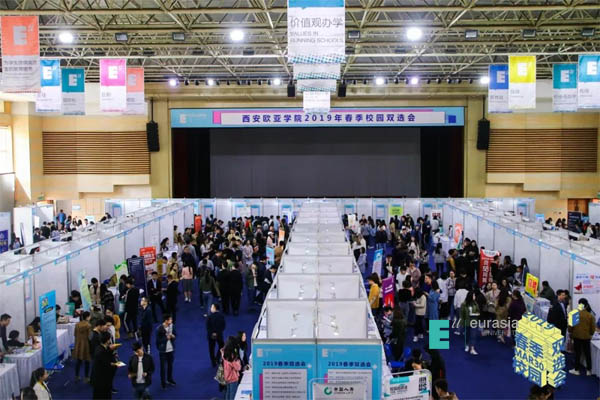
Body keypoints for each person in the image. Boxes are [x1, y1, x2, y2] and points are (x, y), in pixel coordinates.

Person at [569, 298, 595, 376]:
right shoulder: (590, 315)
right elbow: (592, 328)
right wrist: (590, 334)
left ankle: (576, 370)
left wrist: (571, 332)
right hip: (586, 337)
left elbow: (570, 327)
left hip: (576, 336)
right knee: (587, 354)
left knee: (577, 353)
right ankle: (589, 370)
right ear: (586, 305)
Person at [91, 331, 119, 399]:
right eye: (109, 339)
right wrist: (115, 364)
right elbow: (107, 364)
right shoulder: (101, 351)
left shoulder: (99, 348)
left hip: (99, 379)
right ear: (107, 340)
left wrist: (111, 350)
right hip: (102, 380)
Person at [156, 313, 177, 389]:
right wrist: (166, 339)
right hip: (163, 351)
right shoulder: (159, 329)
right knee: (163, 368)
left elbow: (175, 334)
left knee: (170, 365)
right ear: (166, 320)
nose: (171, 320)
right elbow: (158, 341)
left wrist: (173, 336)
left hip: (171, 350)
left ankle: (169, 379)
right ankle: (163, 382)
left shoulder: (172, 326)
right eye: (170, 319)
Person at [73, 311, 92, 382]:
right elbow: (90, 337)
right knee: (87, 361)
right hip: (86, 345)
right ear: (87, 317)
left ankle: (76, 376)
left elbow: (75, 334)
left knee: (78, 361)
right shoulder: (88, 325)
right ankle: (86, 377)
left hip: (78, 344)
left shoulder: (77, 325)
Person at [460, 291, 480, 355]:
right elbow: (462, 314)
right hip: (467, 322)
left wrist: (477, 314)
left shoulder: (475, 303)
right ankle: (467, 345)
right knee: (467, 334)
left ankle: (472, 348)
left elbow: (478, 311)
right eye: (474, 295)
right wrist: (462, 322)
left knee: (473, 335)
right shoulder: (464, 304)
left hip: (474, 321)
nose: (475, 297)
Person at [207, 303, 226, 367]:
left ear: (214, 308)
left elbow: (208, 327)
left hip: (211, 335)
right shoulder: (221, 316)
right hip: (219, 335)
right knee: (222, 345)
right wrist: (217, 332)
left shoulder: (209, 316)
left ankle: (213, 362)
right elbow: (223, 326)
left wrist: (212, 333)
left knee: (211, 348)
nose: (210, 308)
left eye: (211, 307)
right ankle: (217, 358)